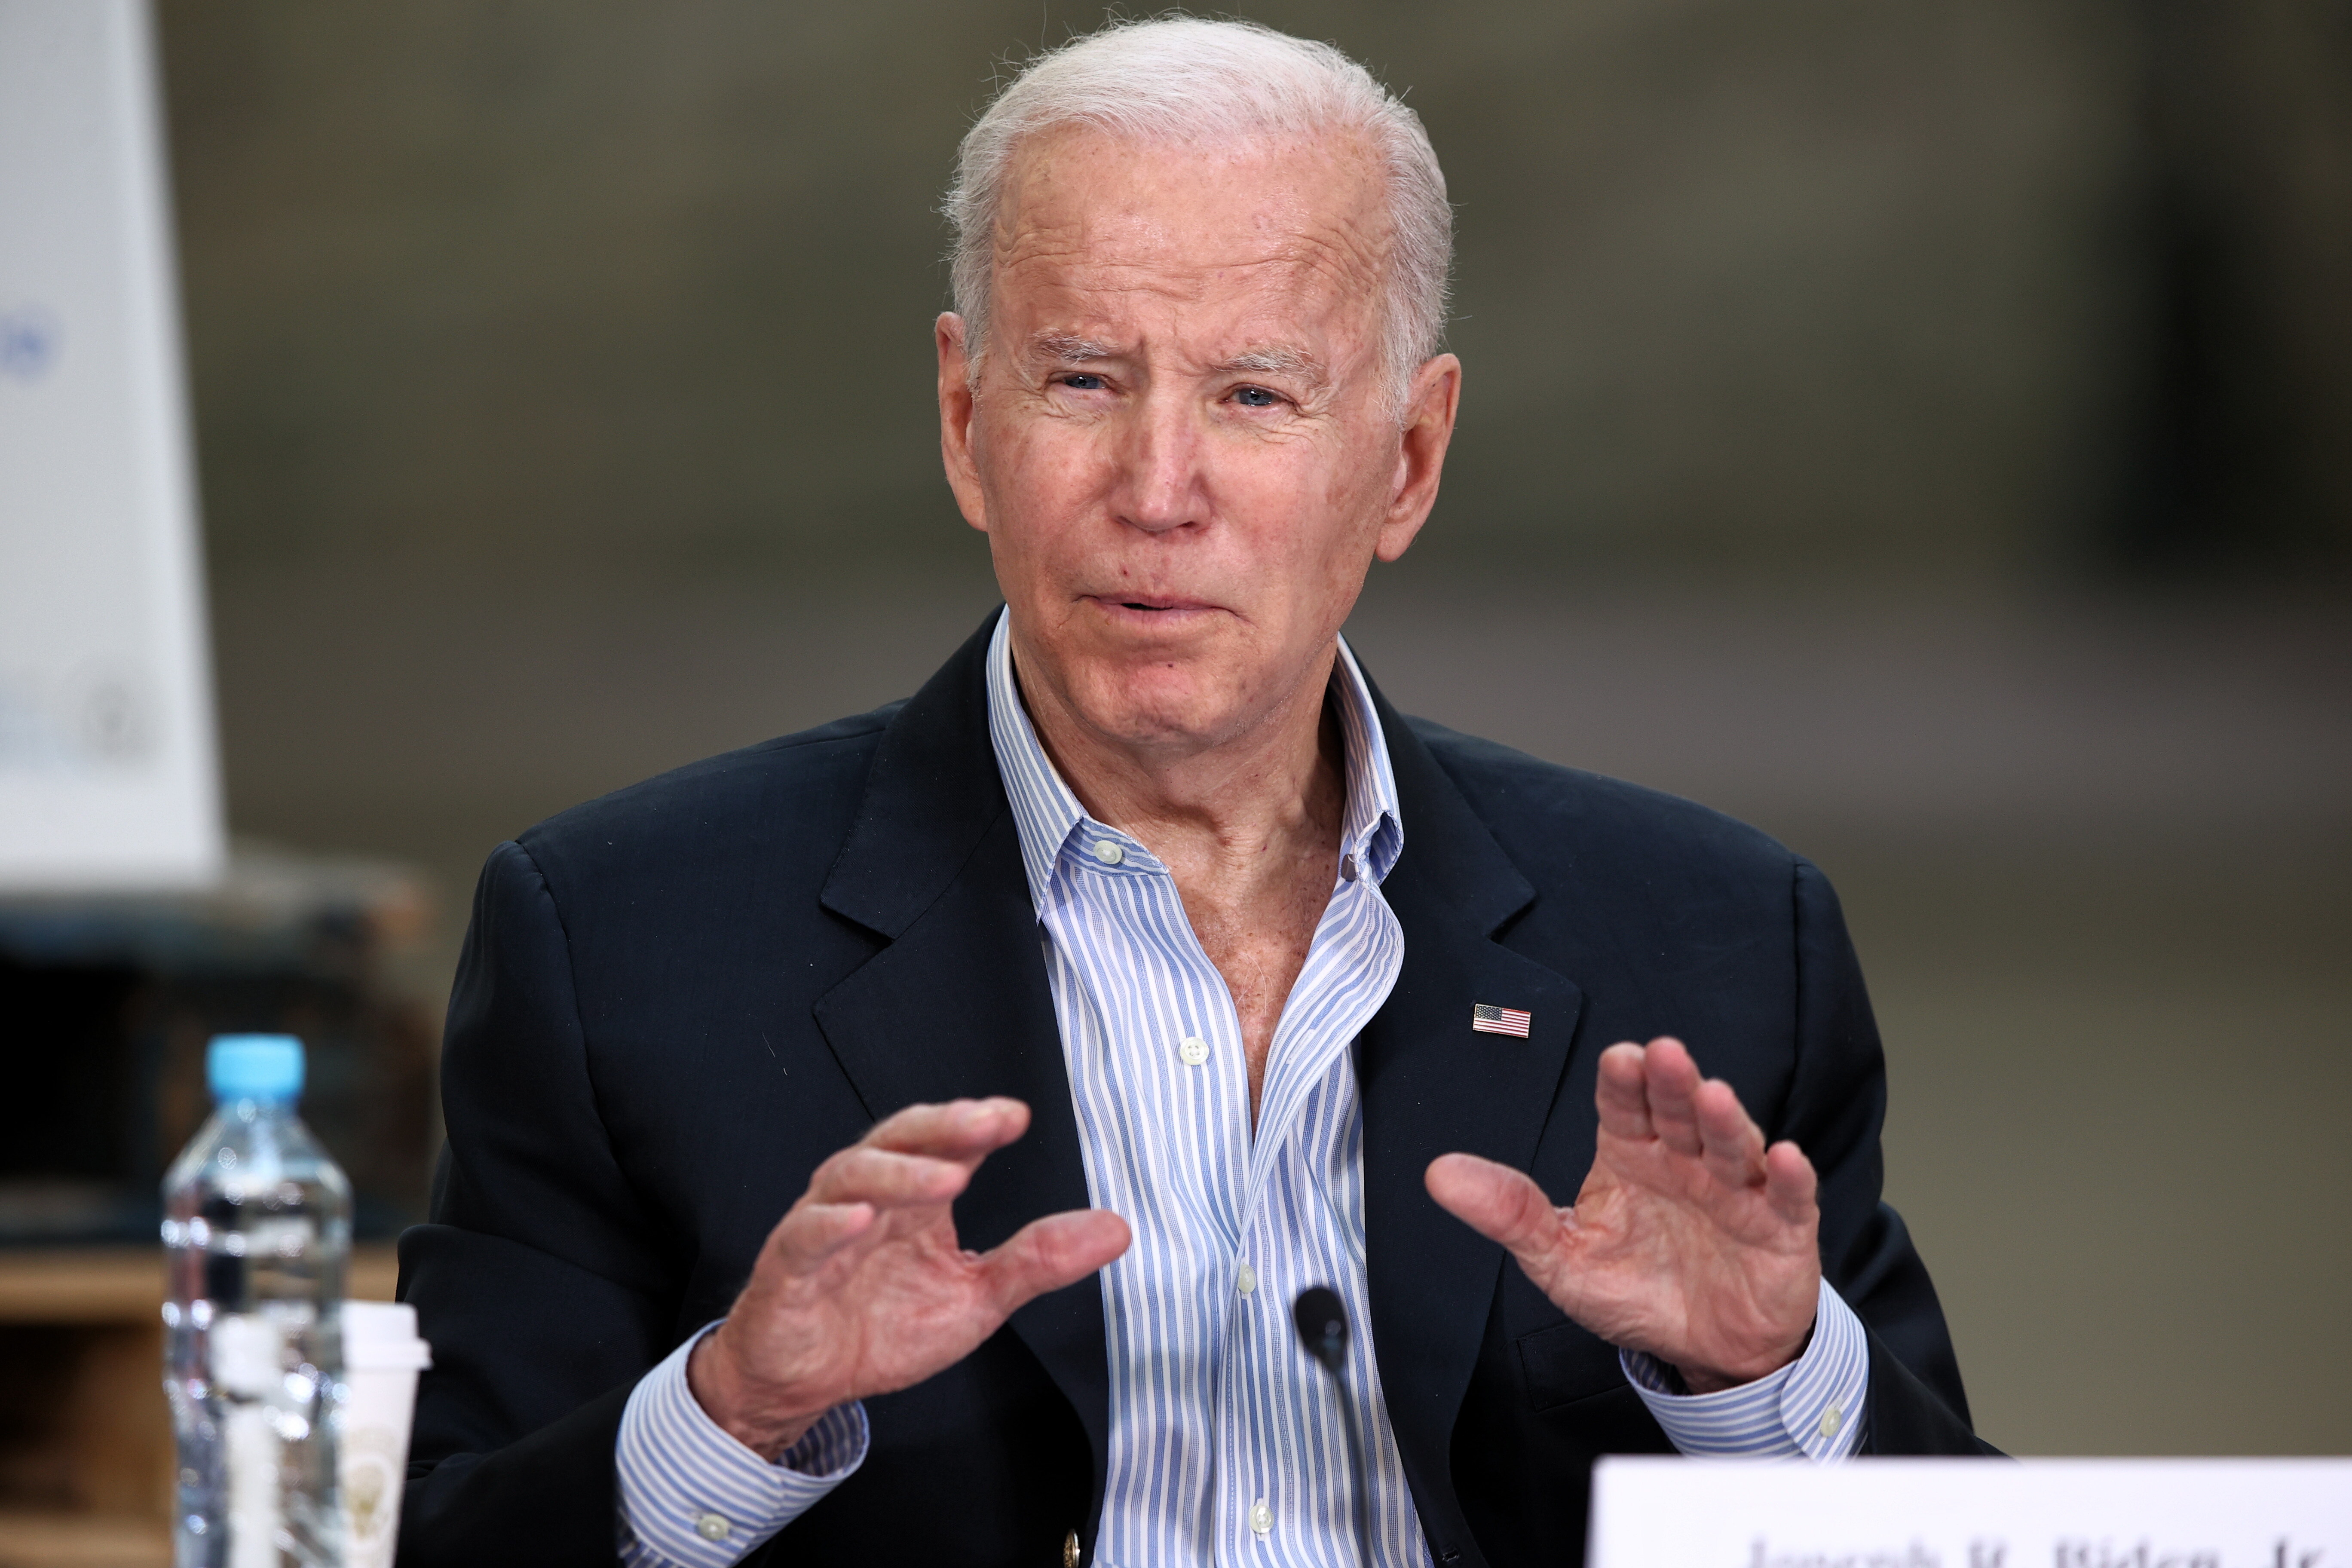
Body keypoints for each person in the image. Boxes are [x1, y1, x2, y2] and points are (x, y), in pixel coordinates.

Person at [395, 17, 1987, 1568]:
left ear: (1409, 462)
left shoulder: (1715, 940)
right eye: (1084, 380)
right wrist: (732, 1414)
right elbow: (430, 1537)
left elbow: (1967, 1541)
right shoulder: (616, 939)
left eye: (1255, 396)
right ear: (966, 423)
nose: (1158, 492)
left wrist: (1766, 1383)